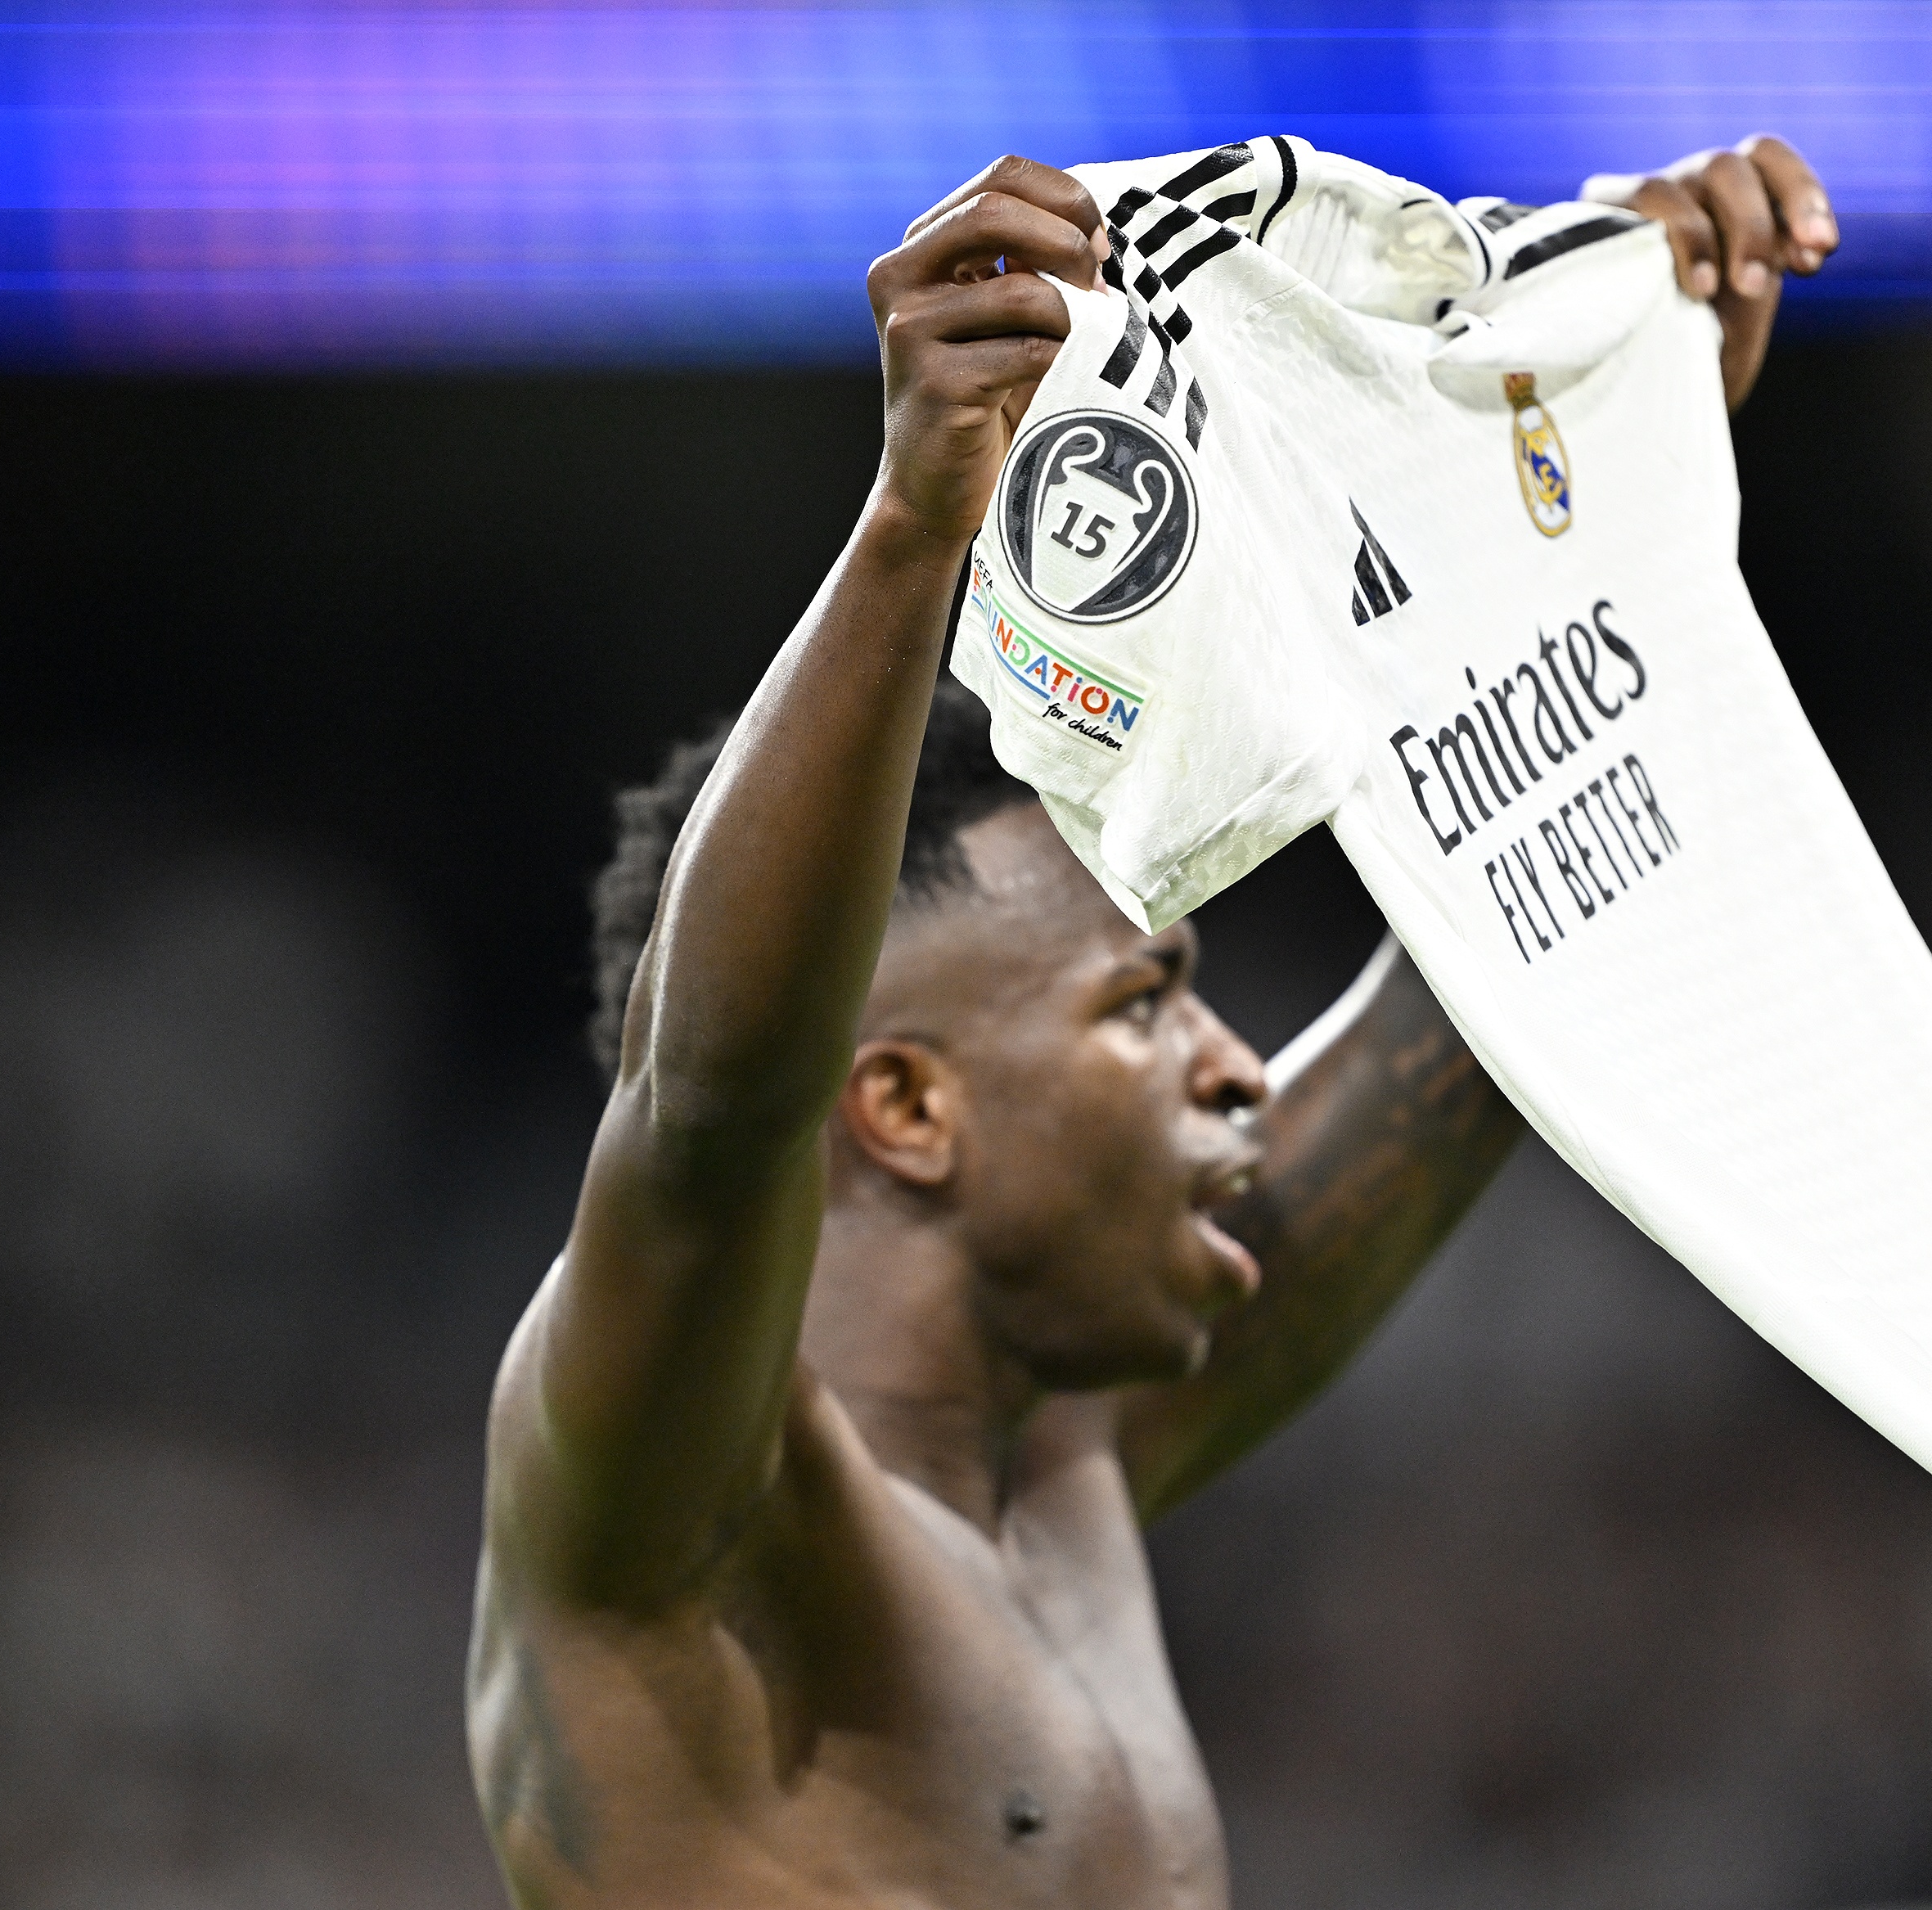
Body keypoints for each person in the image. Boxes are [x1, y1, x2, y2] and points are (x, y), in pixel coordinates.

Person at [471, 137, 1839, 1908]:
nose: (1237, 1066)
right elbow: (713, 1108)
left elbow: (1504, 974)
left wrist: (1607, 498)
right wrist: (916, 525)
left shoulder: (1072, 1460)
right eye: (1143, 1003)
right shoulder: (683, 1504)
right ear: (903, 1105)